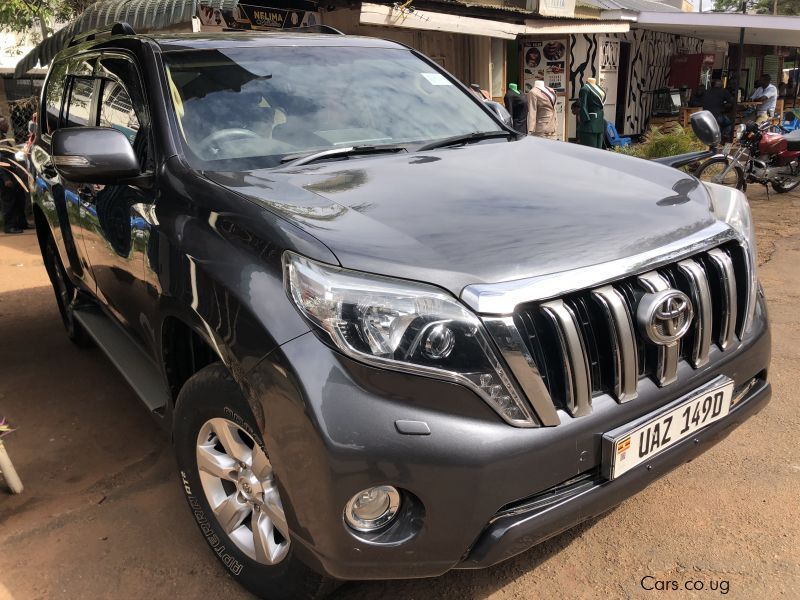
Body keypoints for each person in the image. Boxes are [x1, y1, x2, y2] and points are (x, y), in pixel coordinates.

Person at [577, 78, 605, 148]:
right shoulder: (585, 89)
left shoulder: (598, 87)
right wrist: (585, 120)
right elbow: (583, 106)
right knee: (590, 148)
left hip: (599, 121)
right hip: (590, 122)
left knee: (598, 149)